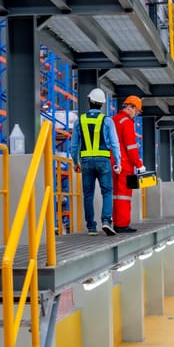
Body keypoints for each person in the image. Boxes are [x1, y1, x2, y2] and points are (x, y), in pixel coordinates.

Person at [71, 88, 122, 236]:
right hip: (103, 161)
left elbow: (74, 145)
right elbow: (114, 143)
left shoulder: (80, 120)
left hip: (86, 161)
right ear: (102, 104)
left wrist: (75, 162)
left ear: (89, 101)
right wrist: (118, 161)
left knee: (88, 194)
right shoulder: (107, 120)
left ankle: (91, 227)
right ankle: (106, 221)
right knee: (107, 192)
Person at [112, 95, 146, 233]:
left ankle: (115, 222)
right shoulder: (127, 122)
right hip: (125, 164)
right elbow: (131, 147)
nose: (136, 114)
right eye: (136, 111)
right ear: (130, 107)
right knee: (124, 195)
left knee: (115, 194)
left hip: (113, 162)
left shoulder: (114, 120)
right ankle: (122, 224)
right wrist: (139, 164)